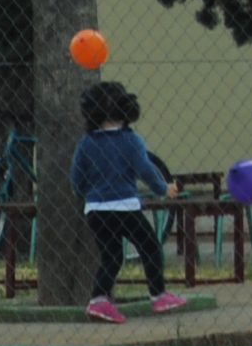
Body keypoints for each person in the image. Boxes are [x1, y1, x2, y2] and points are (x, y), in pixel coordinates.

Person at [69, 81, 188, 325]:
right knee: (150, 246)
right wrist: (163, 188)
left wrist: (88, 196)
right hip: (125, 208)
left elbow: (76, 179)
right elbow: (145, 170)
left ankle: (98, 299)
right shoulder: (130, 141)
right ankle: (158, 294)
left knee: (111, 256)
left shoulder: (86, 143)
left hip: (96, 211)